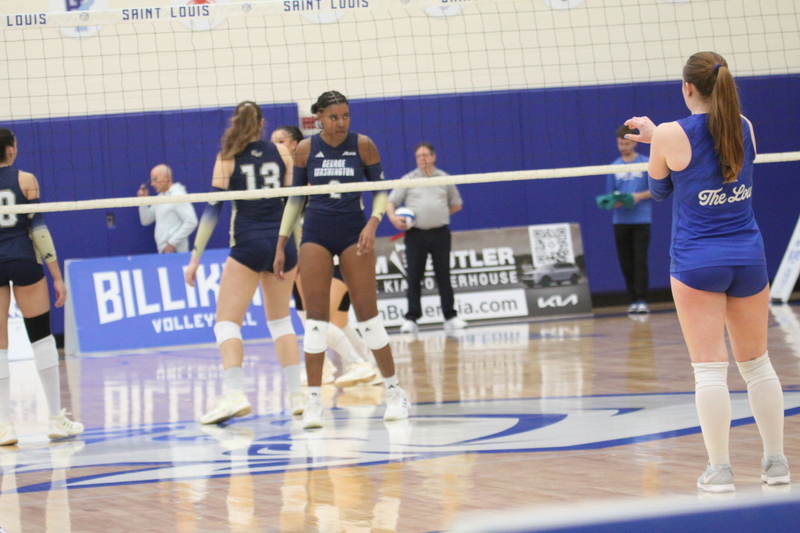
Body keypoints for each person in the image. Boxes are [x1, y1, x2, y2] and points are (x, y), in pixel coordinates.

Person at [625, 51, 789, 493]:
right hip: (749, 257)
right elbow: (714, 149)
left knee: (710, 371)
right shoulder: (746, 125)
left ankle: (720, 470)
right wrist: (663, 137)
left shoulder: (671, 136)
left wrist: (657, 138)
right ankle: (776, 463)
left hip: (697, 262)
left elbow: (659, 190)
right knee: (758, 366)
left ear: (687, 88)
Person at [274, 91, 410, 429]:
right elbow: (295, 199)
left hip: (354, 233)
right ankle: (315, 403)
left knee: (368, 317)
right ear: (319, 117)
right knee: (316, 321)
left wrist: (374, 223)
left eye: (345, 116)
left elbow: (381, 190)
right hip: (316, 234)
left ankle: (395, 392)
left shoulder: (363, 145)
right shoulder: (305, 149)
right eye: (334, 117)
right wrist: (280, 243)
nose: (341, 123)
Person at [185, 101, 306, 424]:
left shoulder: (227, 157)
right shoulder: (282, 153)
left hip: (249, 244)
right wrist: (298, 248)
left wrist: (194, 259)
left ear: (235, 122)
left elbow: (212, 210)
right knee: (281, 322)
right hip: (282, 246)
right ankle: (298, 396)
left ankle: (234, 394)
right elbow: (294, 204)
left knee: (226, 322)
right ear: (263, 123)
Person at [271, 126, 380, 389]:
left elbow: (306, 218)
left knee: (316, 316)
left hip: (325, 252)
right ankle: (366, 367)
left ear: (296, 145)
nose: (275, 146)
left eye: (281, 141)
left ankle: (359, 364)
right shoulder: (292, 176)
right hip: (314, 251)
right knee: (335, 319)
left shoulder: (311, 175)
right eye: (273, 141)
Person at [0, 128, 84, 445]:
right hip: (23, 260)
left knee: (0, 346)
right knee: (41, 338)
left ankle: (4, 425)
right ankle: (54, 418)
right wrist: (57, 276)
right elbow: (40, 230)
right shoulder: (26, 180)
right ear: (10, 150)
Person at [387, 142, 466, 333]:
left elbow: (457, 204)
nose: (421, 159)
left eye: (425, 155)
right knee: (414, 275)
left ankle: (450, 316)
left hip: (440, 233)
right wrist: (393, 218)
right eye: (418, 156)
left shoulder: (444, 178)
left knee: (443, 275)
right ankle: (412, 318)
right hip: (416, 235)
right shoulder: (408, 179)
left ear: (433, 157)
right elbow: (391, 202)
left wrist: (438, 213)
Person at [605, 125, 652, 314]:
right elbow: (609, 195)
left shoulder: (646, 163)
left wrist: (638, 196)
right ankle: (633, 298)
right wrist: (613, 202)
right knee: (626, 262)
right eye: (620, 143)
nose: (623, 146)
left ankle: (642, 299)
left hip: (641, 220)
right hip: (620, 221)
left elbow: (657, 191)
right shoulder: (613, 167)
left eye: (626, 143)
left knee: (640, 260)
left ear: (634, 142)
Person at [138, 164, 198, 253]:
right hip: (164, 252)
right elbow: (146, 220)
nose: (152, 184)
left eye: (155, 179)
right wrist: (142, 201)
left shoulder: (178, 196)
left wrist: (172, 243)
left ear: (166, 177)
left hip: (175, 252)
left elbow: (192, 222)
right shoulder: (160, 198)